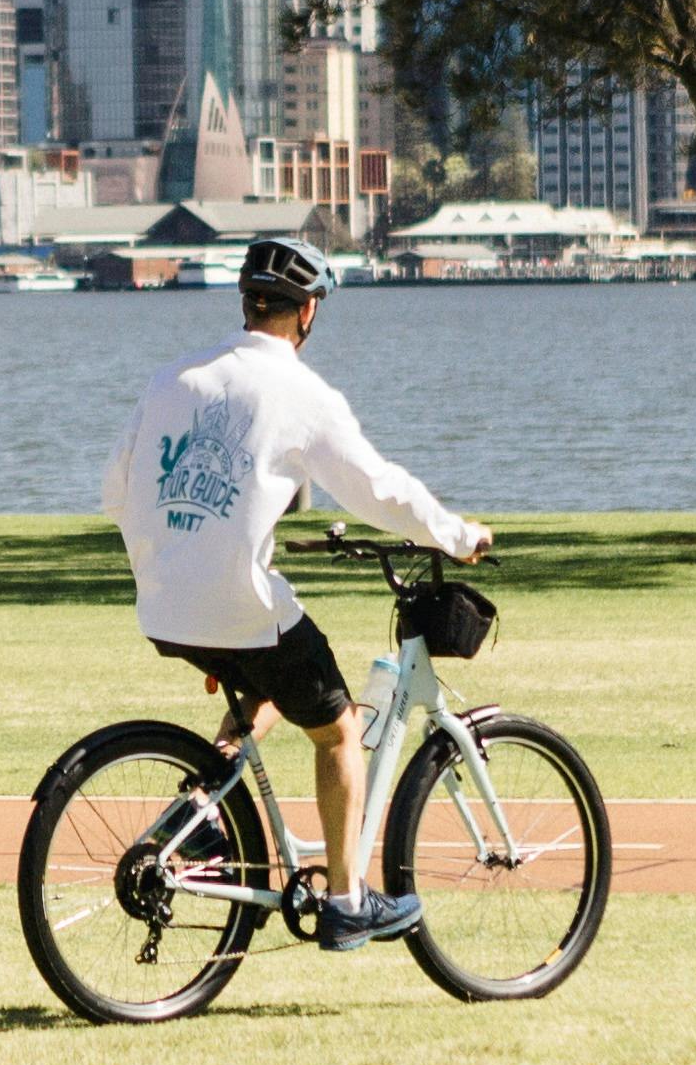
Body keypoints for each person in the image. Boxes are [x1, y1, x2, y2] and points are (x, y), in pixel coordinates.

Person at [99, 234, 489, 953]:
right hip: (235, 603)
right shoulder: (302, 393)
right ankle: (346, 903)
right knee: (338, 728)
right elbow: (378, 491)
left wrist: (173, 556)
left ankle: (202, 803)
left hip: (161, 604)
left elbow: (115, 489)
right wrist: (456, 535)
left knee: (273, 671)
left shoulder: (173, 377)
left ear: (247, 303)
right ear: (307, 313)